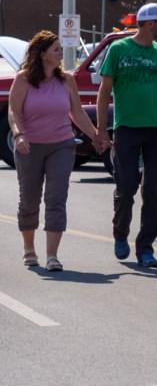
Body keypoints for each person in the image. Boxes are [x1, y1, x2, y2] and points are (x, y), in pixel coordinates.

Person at [8, 31, 105, 271]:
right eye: (57, 50)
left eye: (61, 49)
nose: (62, 53)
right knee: (29, 200)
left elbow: (77, 113)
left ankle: (52, 255)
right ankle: (29, 248)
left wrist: (96, 136)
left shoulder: (67, 80)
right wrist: (19, 135)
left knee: (56, 198)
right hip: (29, 145)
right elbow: (14, 111)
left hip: (61, 144)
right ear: (43, 55)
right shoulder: (23, 79)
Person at [96, 2, 157, 267]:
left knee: (154, 191)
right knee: (126, 187)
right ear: (149, 23)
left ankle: (146, 248)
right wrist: (100, 130)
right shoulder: (119, 49)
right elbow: (104, 92)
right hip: (128, 129)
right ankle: (120, 234)